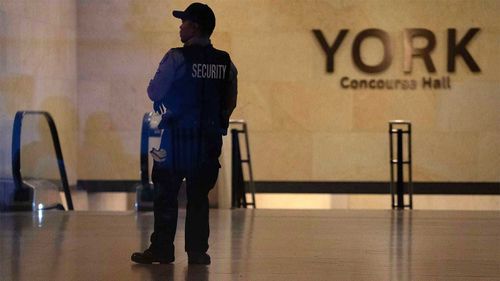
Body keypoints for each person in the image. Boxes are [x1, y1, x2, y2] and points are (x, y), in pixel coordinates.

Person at [131, 2, 237, 265]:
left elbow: (155, 92)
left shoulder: (176, 57)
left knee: (166, 195)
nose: (180, 26)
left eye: (184, 22)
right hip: (208, 140)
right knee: (199, 198)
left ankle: (163, 249)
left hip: (176, 139)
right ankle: (198, 252)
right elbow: (230, 99)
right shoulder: (225, 61)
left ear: (195, 26)